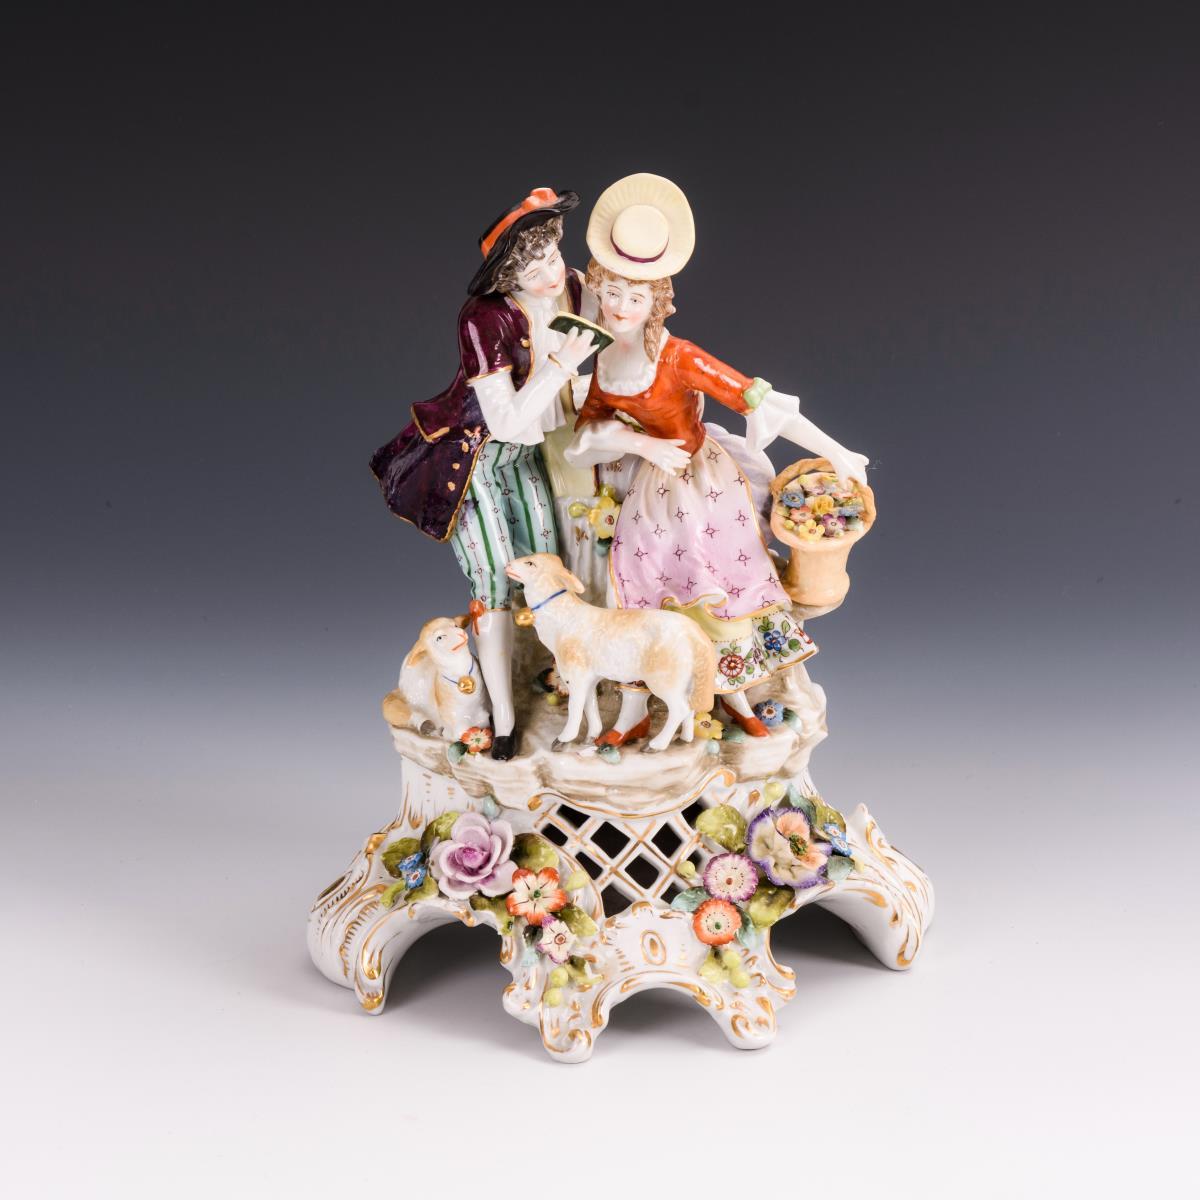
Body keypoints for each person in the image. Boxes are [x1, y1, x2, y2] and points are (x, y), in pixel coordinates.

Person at [565, 174, 869, 746]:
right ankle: (633, 711)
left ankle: (736, 696)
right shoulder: (603, 362)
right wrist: (640, 444)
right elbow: (585, 437)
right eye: (612, 293)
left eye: (636, 297)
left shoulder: (679, 357)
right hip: (653, 488)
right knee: (644, 583)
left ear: (657, 303)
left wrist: (836, 451)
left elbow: (759, 399)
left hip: (704, 484)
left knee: (718, 579)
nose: (621, 307)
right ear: (598, 290)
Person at [370, 187, 598, 758]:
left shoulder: (573, 286)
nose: (551, 275)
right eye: (532, 271)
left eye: (552, 258)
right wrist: (561, 365)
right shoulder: (484, 318)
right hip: (475, 459)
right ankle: (502, 718)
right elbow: (510, 420)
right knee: (494, 579)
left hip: (529, 456)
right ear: (506, 276)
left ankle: (556, 679)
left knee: (549, 564)